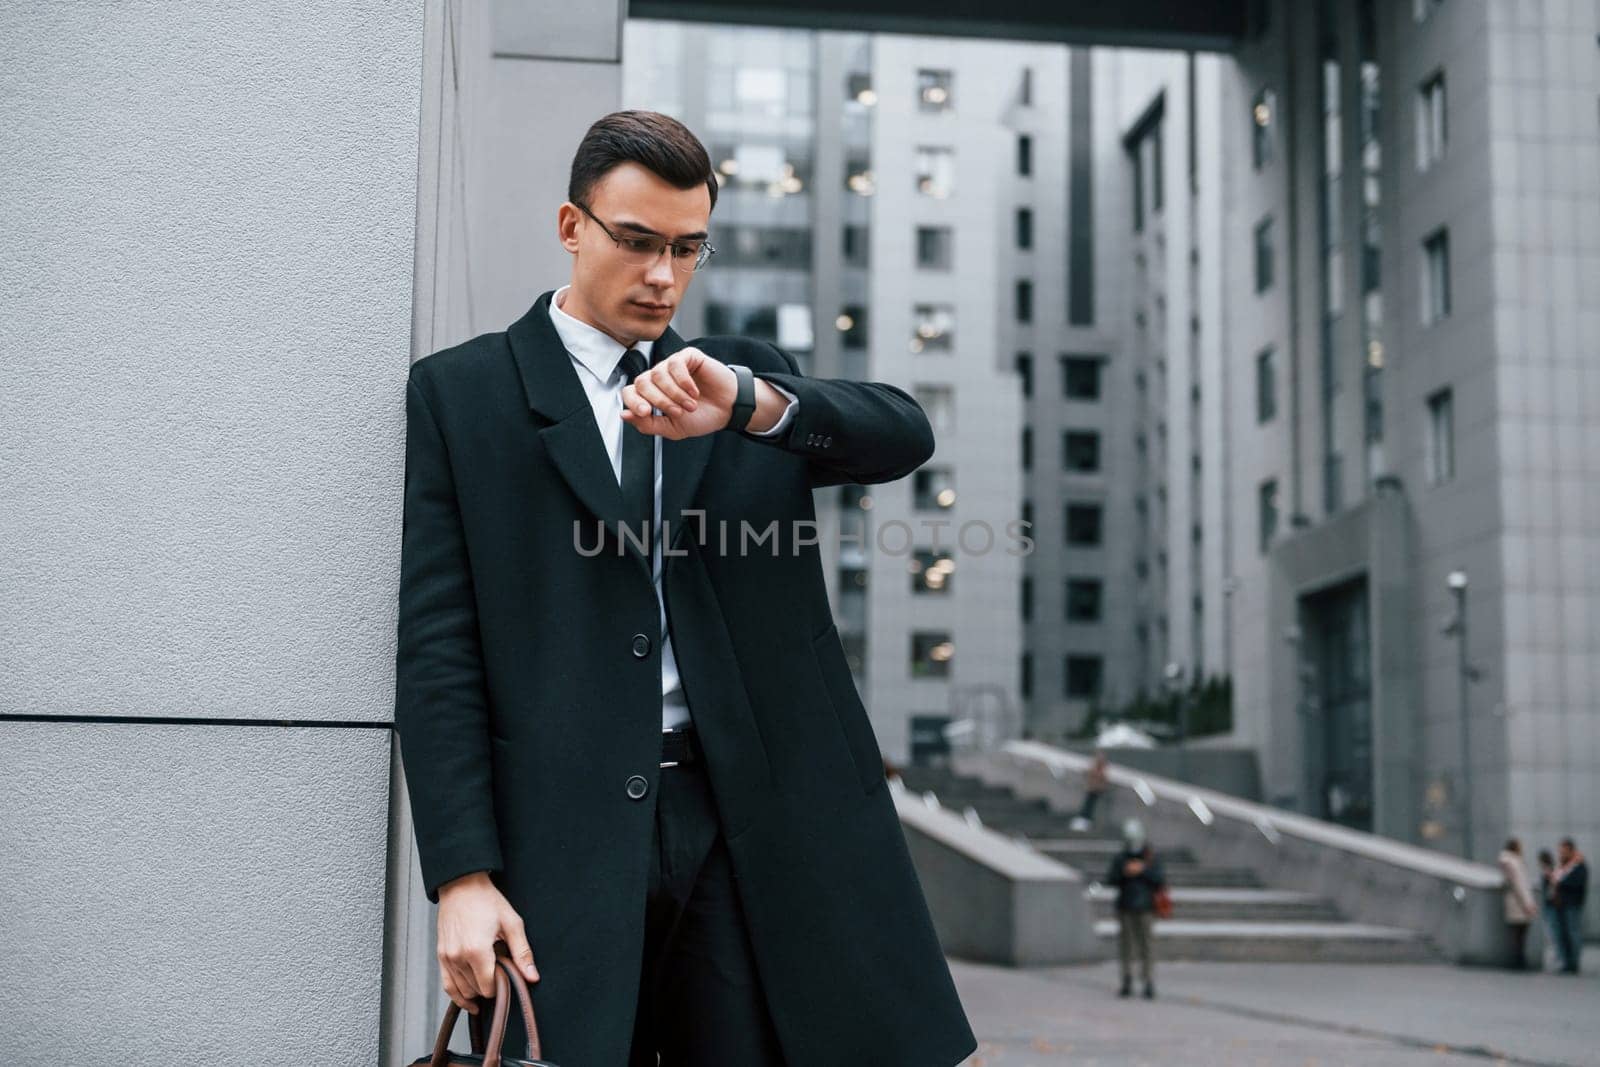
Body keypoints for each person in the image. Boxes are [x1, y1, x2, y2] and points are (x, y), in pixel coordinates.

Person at [394, 110, 976, 1067]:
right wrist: (462, 872)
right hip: (561, 838)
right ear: (572, 227)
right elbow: (437, 648)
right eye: (637, 242)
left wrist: (748, 404)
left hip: (743, 831)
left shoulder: (734, 387)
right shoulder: (463, 397)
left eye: (686, 248)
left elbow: (902, 433)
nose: (663, 275)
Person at [1106, 817, 1165, 999]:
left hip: (1146, 907)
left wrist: (1142, 870)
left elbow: (1159, 880)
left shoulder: (1150, 858)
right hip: (1126, 906)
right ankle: (1127, 978)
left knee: (1147, 945)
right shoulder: (1121, 858)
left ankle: (1148, 980)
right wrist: (1125, 872)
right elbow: (1111, 879)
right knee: (1127, 946)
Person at [1496, 838, 1538, 969]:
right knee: (1520, 934)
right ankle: (1519, 961)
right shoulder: (1513, 862)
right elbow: (1520, 884)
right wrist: (1528, 903)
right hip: (1519, 902)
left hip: (1513, 901)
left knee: (1516, 934)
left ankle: (1517, 960)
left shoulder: (1506, 861)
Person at [1552, 837, 1588, 974]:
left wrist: (1560, 883)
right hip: (1561, 905)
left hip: (1572, 905)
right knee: (1563, 934)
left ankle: (1574, 963)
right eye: (1560, 851)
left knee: (1573, 933)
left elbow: (1577, 884)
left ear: (1571, 851)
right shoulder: (1562, 866)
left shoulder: (1579, 866)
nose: (1561, 854)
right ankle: (1566, 962)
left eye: (1564, 851)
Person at [1070, 749, 1110, 832]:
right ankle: (1084, 820)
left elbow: (1099, 778)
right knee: (1088, 805)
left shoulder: (1100, 770)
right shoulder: (1097, 768)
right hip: (1092, 789)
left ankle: (1085, 821)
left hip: (1095, 790)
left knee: (1089, 805)